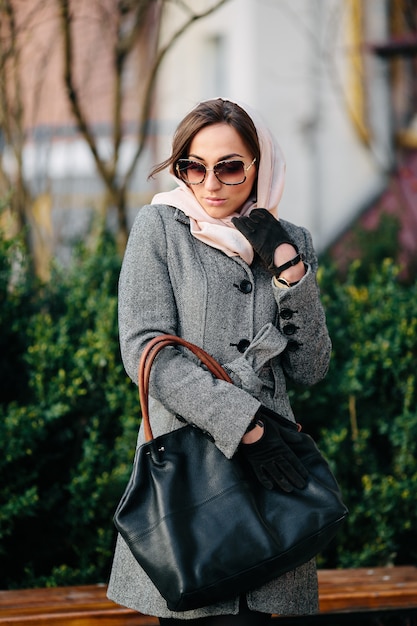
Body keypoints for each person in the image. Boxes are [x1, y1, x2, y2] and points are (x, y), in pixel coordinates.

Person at [107, 98, 332, 624]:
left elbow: (310, 368)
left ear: (258, 165)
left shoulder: (292, 241)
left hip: (273, 486)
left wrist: (289, 272)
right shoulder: (160, 227)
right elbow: (145, 348)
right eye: (194, 167)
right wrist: (245, 424)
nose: (210, 184)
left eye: (230, 167)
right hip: (192, 482)